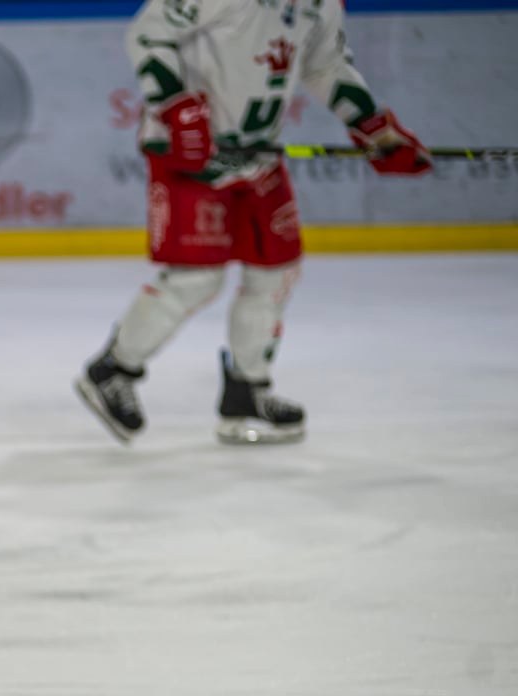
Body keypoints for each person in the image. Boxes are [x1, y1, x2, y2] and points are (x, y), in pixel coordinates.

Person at [75, 0, 431, 445]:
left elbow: (325, 66)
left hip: (257, 156)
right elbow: (147, 34)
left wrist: (374, 129)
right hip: (190, 154)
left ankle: (246, 392)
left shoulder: (321, 5)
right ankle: (111, 371)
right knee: (197, 279)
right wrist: (176, 107)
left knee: (276, 271)